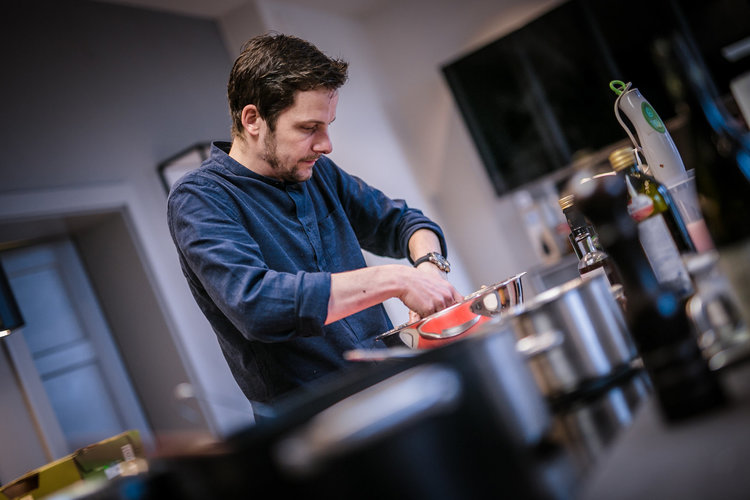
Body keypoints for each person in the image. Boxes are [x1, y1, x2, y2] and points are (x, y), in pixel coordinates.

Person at [167, 32, 462, 408]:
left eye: (327, 125)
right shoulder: (200, 198)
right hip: (319, 421)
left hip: (392, 386)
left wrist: (429, 270)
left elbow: (404, 223)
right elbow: (257, 305)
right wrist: (395, 279)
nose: (326, 145)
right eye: (309, 128)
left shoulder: (318, 173)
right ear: (253, 119)